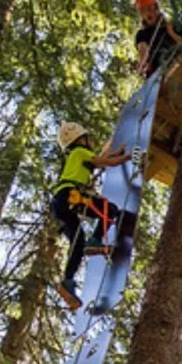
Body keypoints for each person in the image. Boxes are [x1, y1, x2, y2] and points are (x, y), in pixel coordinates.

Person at [51, 121, 128, 310]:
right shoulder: (79, 152)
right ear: (81, 139)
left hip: (63, 201)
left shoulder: (77, 156)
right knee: (109, 210)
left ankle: (67, 281)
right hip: (71, 196)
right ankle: (95, 240)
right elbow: (104, 161)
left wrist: (115, 154)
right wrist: (125, 158)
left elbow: (100, 159)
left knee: (77, 242)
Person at [134, 0, 182, 79]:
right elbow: (143, 49)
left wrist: (172, 33)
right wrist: (142, 64)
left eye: (150, 8)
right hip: (158, 74)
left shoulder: (173, 25)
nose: (147, 13)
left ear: (157, 8)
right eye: (143, 11)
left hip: (181, 63)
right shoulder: (142, 34)